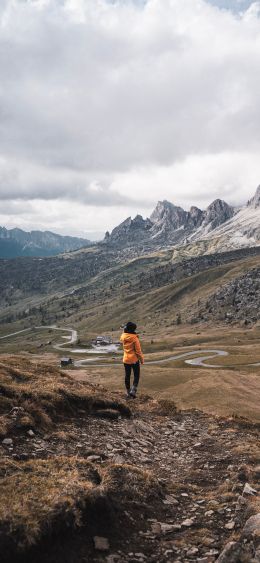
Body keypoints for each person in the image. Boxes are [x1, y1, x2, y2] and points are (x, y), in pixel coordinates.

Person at [120, 322, 144, 399]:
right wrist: (141, 360)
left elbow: (124, 332)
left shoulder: (123, 336)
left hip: (126, 359)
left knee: (127, 376)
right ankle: (133, 391)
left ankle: (128, 392)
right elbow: (138, 351)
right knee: (136, 375)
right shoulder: (135, 338)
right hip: (134, 360)